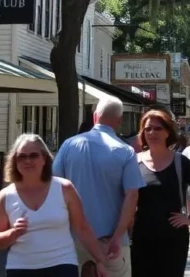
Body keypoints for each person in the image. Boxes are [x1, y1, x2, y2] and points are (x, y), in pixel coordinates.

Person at [0, 134, 107, 277]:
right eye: (21, 156)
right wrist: (13, 233)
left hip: (62, 265)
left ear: (44, 158)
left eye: (33, 156)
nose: (28, 161)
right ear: (15, 161)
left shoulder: (64, 188)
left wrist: (99, 261)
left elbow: (82, 228)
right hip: (21, 268)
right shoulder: (5, 196)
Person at [52, 97, 142, 277]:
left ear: (95, 117)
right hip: (111, 242)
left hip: (73, 240)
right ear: (120, 121)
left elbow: (54, 188)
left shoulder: (69, 146)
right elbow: (132, 196)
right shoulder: (125, 151)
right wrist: (118, 235)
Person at [132, 110, 190, 277]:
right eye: (148, 129)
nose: (152, 133)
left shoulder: (179, 161)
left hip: (173, 237)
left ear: (168, 132)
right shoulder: (134, 162)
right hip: (142, 236)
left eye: (157, 128)